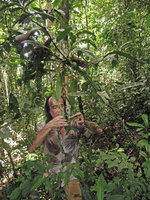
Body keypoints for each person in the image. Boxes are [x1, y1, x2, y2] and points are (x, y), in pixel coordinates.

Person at [28, 95, 102, 200]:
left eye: (61, 106)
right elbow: (31, 149)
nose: (59, 110)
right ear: (49, 111)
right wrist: (49, 126)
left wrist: (84, 122)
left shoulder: (73, 123)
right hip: (52, 176)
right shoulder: (43, 126)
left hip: (72, 174)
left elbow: (98, 130)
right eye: (54, 107)